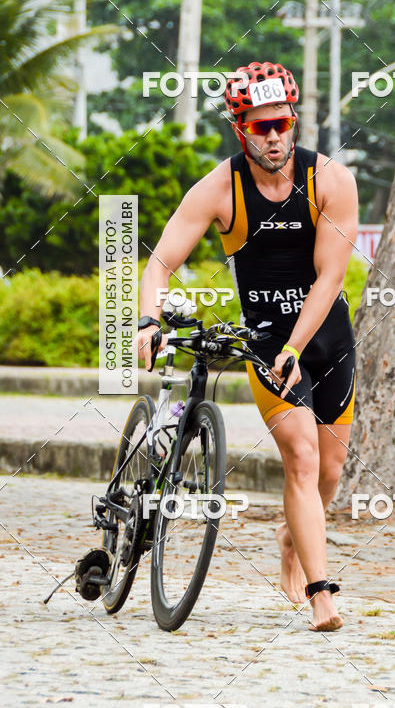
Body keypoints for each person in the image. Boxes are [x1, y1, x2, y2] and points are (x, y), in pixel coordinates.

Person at [134, 61, 358, 631]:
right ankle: (321, 593)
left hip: (328, 339)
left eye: (283, 123)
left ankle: (292, 537)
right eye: (261, 127)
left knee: (329, 469)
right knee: (302, 457)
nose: (276, 136)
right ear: (241, 128)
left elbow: (330, 278)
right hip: (265, 342)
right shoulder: (218, 189)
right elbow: (160, 262)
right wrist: (145, 319)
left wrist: (298, 343)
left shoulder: (332, 180)